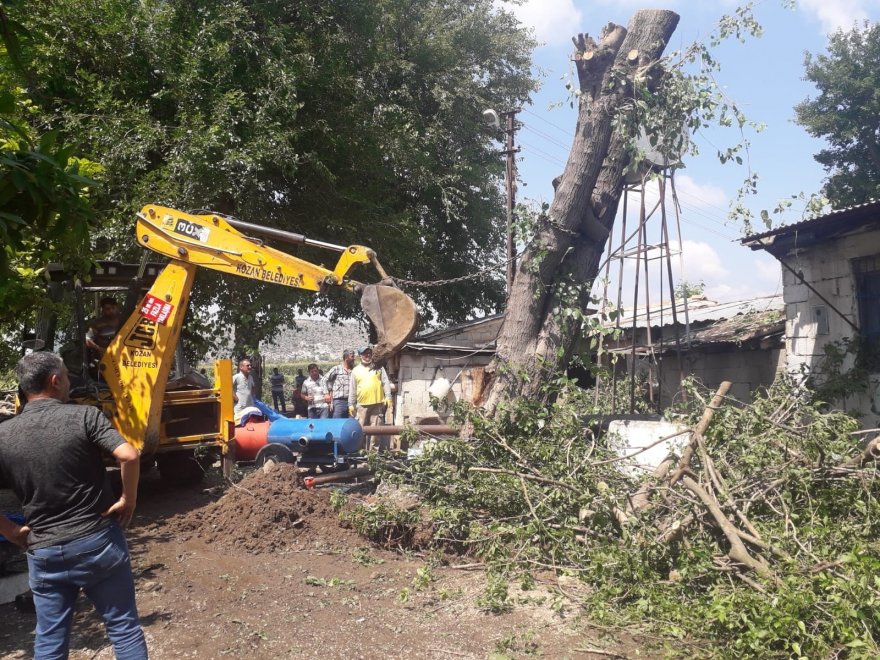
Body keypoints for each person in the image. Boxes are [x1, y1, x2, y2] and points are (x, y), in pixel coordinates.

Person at [0, 352, 147, 659]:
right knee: (123, 629)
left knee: (50, 641)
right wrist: (127, 500)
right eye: (66, 375)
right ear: (55, 381)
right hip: (98, 543)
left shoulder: (3, 434)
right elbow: (129, 455)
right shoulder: (84, 416)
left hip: (44, 552)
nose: (69, 381)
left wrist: (12, 531)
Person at [348, 346, 392, 451]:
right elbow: (352, 389)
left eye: (369, 353)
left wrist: (388, 397)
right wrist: (350, 404)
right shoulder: (355, 371)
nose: (367, 355)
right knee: (360, 430)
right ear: (360, 356)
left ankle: (373, 455)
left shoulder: (379, 368)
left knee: (375, 431)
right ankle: (361, 453)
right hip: (361, 406)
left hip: (377, 404)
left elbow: (385, 382)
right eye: (364, 353)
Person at [325, 350, 355, 418]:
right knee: (337, 423)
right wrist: (326, 394)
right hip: (339, 402)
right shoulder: (336, 369)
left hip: (352, 402)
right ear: (346, 358)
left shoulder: (354, 370)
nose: (354, 358)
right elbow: (324, 380)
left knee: (351, 423)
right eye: (352, 356)